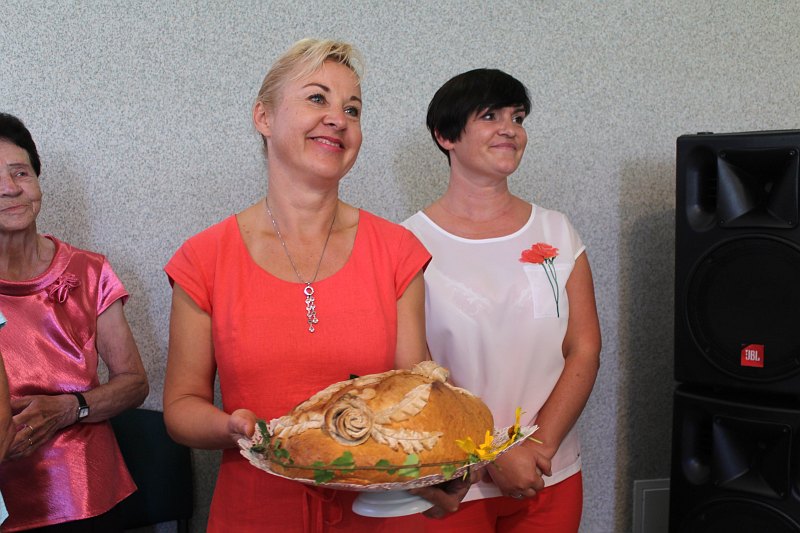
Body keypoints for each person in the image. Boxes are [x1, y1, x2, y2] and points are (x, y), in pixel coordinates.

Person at [164, 38, 464, 533]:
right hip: (255, 514)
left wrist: (444, 463)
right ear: (263, 117)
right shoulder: (204, 258)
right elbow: (180, 408)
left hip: (376, 515)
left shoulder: (397, 250)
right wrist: (233, 427)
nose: (337, 119)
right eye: (317, 98)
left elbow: (413, 391)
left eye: (352, 109)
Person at [403, 69, 601, 532]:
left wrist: (540, 448)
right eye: (490, 116)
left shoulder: (557, 231)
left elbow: (584, 348)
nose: (509, 129)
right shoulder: (407, 242)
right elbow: (415, 371)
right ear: (445, 135)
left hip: (546, 474)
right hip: (452, 482)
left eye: (518, 117)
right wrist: (491, 453)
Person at [0, 113, 149, 531]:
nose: (10, 188)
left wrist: (70, 408)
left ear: (37, 181)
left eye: (20, 172)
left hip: (85, 497)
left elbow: (134, 382)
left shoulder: (89, 271)